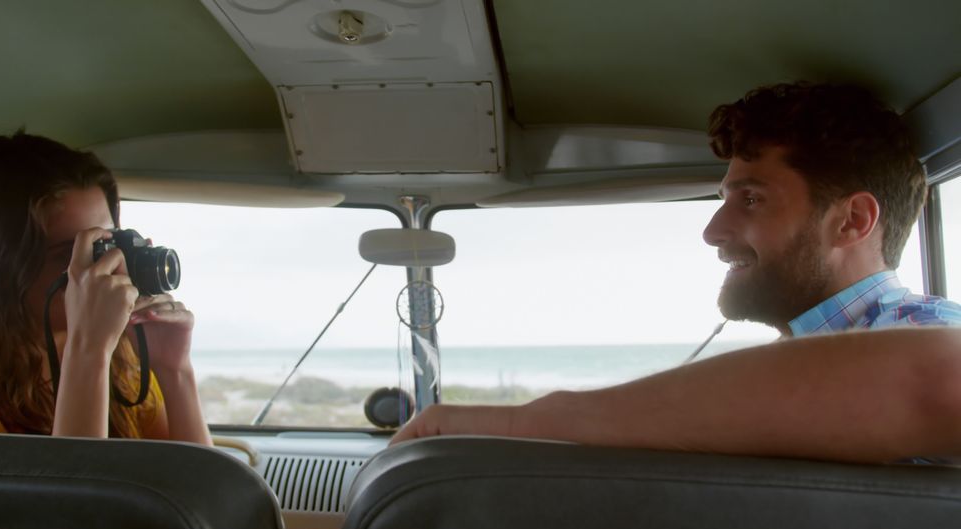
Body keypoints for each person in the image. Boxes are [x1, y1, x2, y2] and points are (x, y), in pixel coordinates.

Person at [391, 82, 961, 462]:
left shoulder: (928, 326)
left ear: (853, 220)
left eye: (753, 199)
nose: (712, 231)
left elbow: (939, 378)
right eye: (723, 199)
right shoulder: (793, 383)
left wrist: (534, 421)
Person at [0, 132, 212, 445]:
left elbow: (203, 495)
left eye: (103, 246)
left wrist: (174, 369)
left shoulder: (121, 368)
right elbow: (71, 503)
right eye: (69, 254)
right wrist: (88, 351)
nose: (101, 270)